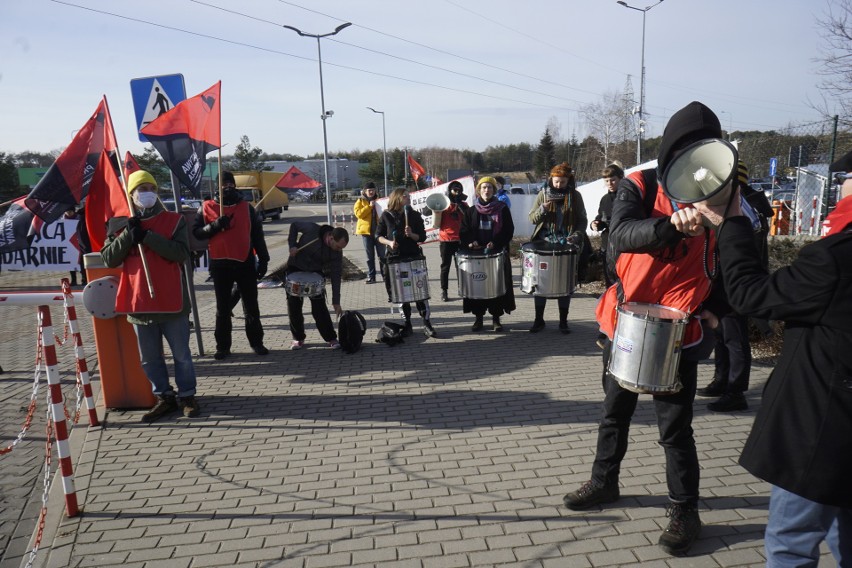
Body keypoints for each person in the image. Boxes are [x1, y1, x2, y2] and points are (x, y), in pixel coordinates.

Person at [564, 101, 729, 557]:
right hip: (627, 320)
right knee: (614, 412)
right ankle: (604, 482)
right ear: (671, 149)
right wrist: (670, 226)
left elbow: (731, 258)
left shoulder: (720, 191)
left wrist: (720, 306)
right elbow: (621, 235)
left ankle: (684, 509)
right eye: (686, 147)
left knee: (675, 428)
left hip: (678, 327)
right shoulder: (642, 183)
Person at [677, 148, 852, 567]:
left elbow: (751, 293)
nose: (841, 186)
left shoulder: (834, 258)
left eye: (847, 177)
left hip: (822, 433)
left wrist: (732, 223)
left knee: (791, 545)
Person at [101, 170, 200, 422]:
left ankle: (187, 396)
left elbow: (180, 253)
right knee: (150, 359)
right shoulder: (118, 223)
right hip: (139, 302)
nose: (147, 193)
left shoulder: (173, 220)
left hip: (172, 302)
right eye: (141, 189)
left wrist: (147, 237)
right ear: (131, 194)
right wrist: (128, 236)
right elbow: (109, 258)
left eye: (152, 188)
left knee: (182, 355)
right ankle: (164, 397)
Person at [697, 160, 773, 412]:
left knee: (735, 339)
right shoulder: (743, 203)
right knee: (722, 335)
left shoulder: (741, 206)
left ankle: (736, 391)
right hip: (725, 280)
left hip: (734, 283)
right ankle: (722, 381)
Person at [193, 171, 270, 360]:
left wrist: (264, 259)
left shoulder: (247, 208)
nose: (227, 187)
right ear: (216, 187)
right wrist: (214, 226)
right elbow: (196, 233)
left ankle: (256, 342)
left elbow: (257, 236)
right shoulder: (207, 207)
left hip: (245, 262)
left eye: (230, 183)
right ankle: (223, 346)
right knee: (223, 308)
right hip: (220, 264)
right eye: (223, 184)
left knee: (251, 306)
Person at [527, 162, 587, 334]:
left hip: (566, 242)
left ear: (569, 181)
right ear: (551, 180)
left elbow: (582, 220)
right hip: (544, 242)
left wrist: (577, 234)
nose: (558, 185)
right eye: (556, 181)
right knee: (541, 282)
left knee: (565, 282)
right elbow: (532, 219)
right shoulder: (543, 194)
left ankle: (563, 321)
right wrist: (542, 209)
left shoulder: (575, 196)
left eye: (562, 182)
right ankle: (539, 320)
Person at [377, 188, 438, 338]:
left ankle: (426, 323)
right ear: (397, 198)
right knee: (401, 294)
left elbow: (422, 237)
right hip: (396, 259)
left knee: (420, 292)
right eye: (405, 196)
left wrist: (412, 235)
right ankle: (408, 324)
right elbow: (378, 235)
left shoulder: (415, 215)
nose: (408, 198)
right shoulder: (386, 215)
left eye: (409, 196)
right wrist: (390, 243)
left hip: (414, 258)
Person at [459, 176, 515, 332]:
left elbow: (508, 230)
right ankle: (478, 319)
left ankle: (496, 319)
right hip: (476, 256)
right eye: (483, 187)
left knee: (496, 287)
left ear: (494, 190)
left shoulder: (502, 208)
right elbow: (464, 231)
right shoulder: (471, 211)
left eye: (489, 187)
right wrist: (471, 242)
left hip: (496, 254)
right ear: (479, 190)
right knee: (478, 287)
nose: (486, 190)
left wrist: (496, 243)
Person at [285, 221, 349, 350]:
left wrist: (336, 301)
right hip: (295, 268)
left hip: (315, 273)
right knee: (294, 306)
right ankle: (298, 338)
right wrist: (292, 245)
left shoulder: (336, 253)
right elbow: (295, 225)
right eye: (338, 247)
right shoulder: (312, 229)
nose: (339, 250)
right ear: (331, 238)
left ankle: (331, 338)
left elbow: (336, 276)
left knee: (319, 308)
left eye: (341, 248)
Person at [433, 180, 470, 302]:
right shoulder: (444, 204)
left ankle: (463, 289)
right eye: (454, 190)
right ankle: (444, 291)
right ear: (450, 190)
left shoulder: (464, 205)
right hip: (446, 240)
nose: (457, 192)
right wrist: (436, 210)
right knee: (445, 266)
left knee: (461, 267)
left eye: (459, 190)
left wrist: (460, 206)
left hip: (460, 240)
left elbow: (469, 219)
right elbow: (434, 220)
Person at [591, 162, 624, 288]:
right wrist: (595, 224)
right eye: (606, 181)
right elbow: (601, 217)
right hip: (607, 245)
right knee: (609, 282)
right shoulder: (604, 199)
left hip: (623, 244)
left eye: (613, 180)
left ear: (620, 178)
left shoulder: (628, 196)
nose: (609, 184)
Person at [353, 181, 384, 284]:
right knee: (369, 257)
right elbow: (358, 214)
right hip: (366, 234)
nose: (371, 192)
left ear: (375, 191)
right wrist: (369, 206)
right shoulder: (360, 201)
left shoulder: (380, 200)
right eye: (369, 190)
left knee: (382, 256)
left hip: (379, 234)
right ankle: (372, 277)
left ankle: (385, 275)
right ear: (365, 191)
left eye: (372, 190)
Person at [64, 202, 91, 287]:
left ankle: (84, 279)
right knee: (71, 263)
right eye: (67, 212)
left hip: (80, 243)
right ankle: (74, 280)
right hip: (69, 245)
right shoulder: (62, 220)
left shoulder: (80, 218)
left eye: (70, 212)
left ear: (73, 211)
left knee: (82, 262)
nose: (68, 213)